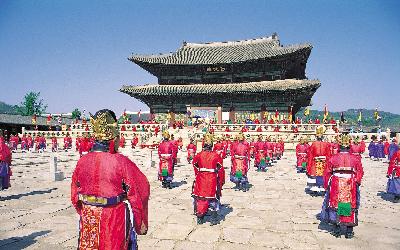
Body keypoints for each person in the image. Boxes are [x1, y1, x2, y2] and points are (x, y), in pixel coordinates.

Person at [71, 109, 149, 249]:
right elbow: (139, 191)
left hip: (89, 216)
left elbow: (74, 194)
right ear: (114, 138)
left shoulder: (82, 161)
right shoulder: (120, 161)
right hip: (113, 217)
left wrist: (85, 209)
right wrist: (140, 223)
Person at [320, 134, 364, 238]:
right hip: (350, 183)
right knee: (349, 203)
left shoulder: (333, 158)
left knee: (336, 204)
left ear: (339, 146)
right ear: (349, 146)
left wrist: (327, 184)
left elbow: (327, 172)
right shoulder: (355, 159)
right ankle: (349, 230)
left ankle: (337, 229)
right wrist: (356, 181)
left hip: (336, 183)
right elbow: (360, 172)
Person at [192, 133, 225, 225]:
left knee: (201, 196)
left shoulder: (199, 155)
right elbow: (220, 169)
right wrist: (221, 180)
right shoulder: (216, 156)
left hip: (201, 178)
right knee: (212, 197)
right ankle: (213, 218)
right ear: (212, 145)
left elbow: (194, 164)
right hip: (212, 178)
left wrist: (198, 173)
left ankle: (200, 217)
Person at [307, 125, 331, 194]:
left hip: (315, 161)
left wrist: (309, 163)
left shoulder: (314, 144)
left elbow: (310, 154)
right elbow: (329, 154)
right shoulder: (326, 144)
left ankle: (315, 189)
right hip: (324, 162)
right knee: (323, 174)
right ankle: (322, 188)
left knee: (315, 174)